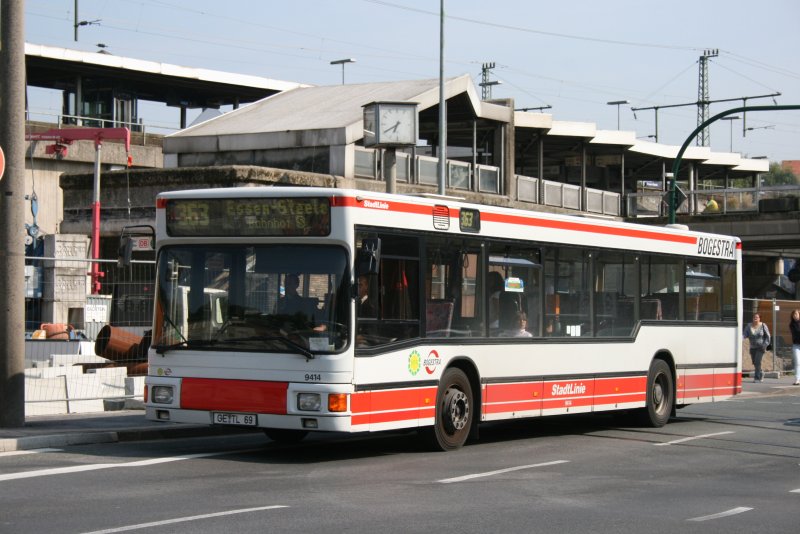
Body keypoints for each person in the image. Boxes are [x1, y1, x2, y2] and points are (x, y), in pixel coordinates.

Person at [743, 313, 770, 382]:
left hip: (761, 347)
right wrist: (741, 338)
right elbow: (745, 334)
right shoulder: (749, 326)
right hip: (752, 347)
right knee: (755, 362)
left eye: (757, 317)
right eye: (754, 317)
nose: (755, 318)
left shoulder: (763, 325)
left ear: (759, 318)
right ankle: (760, 372)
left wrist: (765, 345)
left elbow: (768, 336)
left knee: (757, 361)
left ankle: (757, 378)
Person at [790, 309, 800, 386]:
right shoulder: (792, 324)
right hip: (796, 345)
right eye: (793, 314)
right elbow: (797, 331)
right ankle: (797, 379)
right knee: (797, 362)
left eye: (796, 314)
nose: (795, 315)